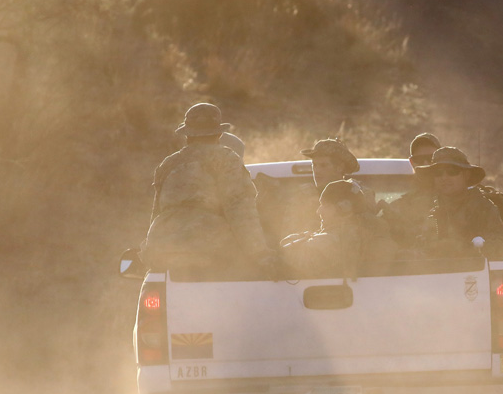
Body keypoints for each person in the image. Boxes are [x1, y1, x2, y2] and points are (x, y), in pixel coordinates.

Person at [141, 103, 274, 278]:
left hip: (163, 249)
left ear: (186, 135)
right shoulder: (226, 159)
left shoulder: (168, 164)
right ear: (219, 134)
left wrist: (150, 253)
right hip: (209, 251)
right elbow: (240, 211)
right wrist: (262, 257)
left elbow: (156, 213)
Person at [416, 146, 503, 261]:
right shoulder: (429, 209)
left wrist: (465, 247)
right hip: (432, 276)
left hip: (473, 275)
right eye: (438, 173)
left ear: (466, 175)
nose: (444, 177)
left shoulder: (482, 208)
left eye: (452, 172)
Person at [280, 179, 396, 276]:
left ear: (343, 208)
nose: (318, 211)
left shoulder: (334, 240)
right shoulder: (367, 232)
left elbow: (286, 257)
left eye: (325, 205)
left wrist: (300, 238)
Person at [381, 132, 442, 247]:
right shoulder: (397, 209)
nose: (425, 163)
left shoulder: (460, 200)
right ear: (412, 162)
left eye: (431, 158)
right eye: (419, 159)